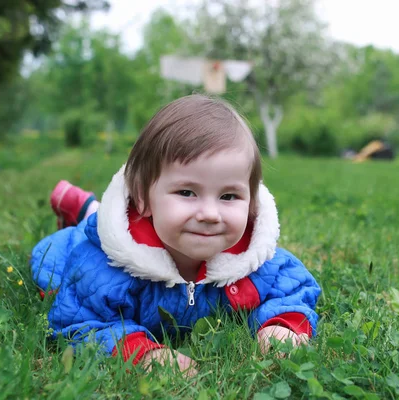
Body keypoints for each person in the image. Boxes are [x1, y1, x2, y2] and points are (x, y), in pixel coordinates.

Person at [31, 94, 321, 374]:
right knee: (76, 239)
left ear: (252, 202)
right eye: (186, 192)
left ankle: (86, 205)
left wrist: (281, 326)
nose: (210, 213)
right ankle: (86, 211)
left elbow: (290, 289)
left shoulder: (253, 258)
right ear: (142, 198)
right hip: (76, 243)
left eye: (229, 196)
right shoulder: (102, 265)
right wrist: (141, 352)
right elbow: (78, 322)